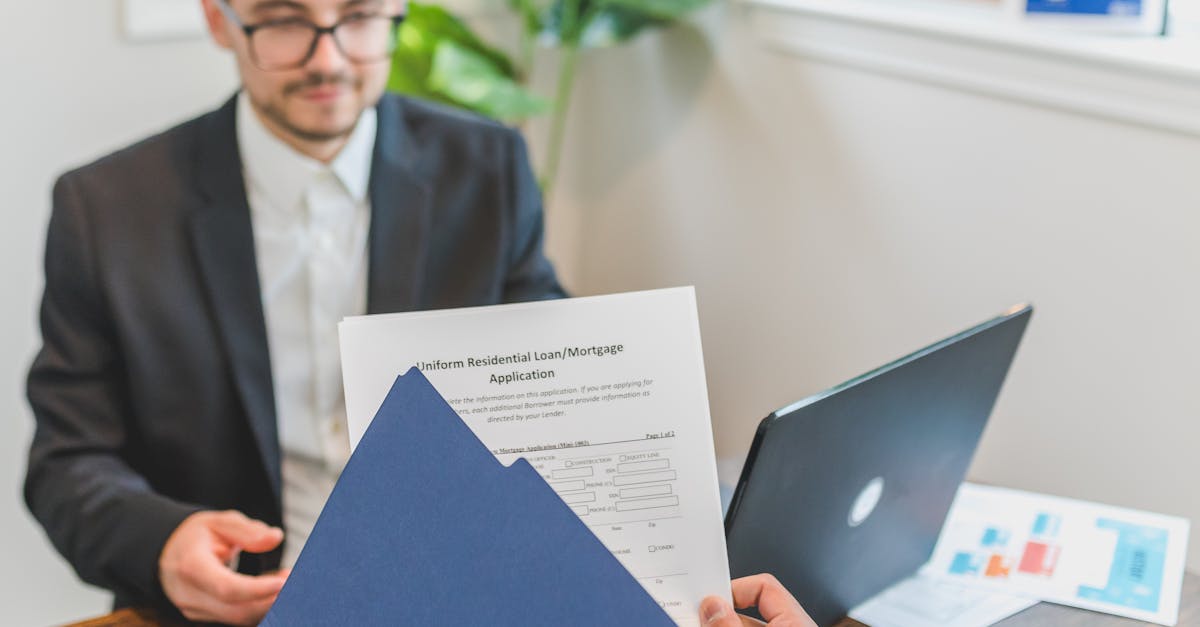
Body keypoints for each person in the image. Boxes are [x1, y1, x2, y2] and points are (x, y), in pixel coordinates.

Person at [23, 0, 818, 625]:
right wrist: (163, 543)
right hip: (243, 607)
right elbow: (66, 463)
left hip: (461, 589)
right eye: (285, 20)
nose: (328, 57)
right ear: (217, 16)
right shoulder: (106, 210)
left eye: (361, 17)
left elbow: (558, 389)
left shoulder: (489, 167)